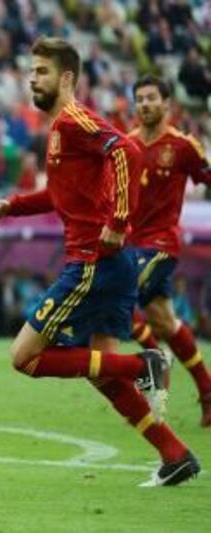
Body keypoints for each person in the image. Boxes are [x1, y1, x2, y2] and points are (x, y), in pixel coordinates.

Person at [0, 37, 199, 487]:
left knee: (25, 356)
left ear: (67, 78)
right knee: (102, 373)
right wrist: (11, 205)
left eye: (41, 71)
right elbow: (60, 195)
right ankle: (175, 455)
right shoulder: (62, 127)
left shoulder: (75, 119)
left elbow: (126, 151)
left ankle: (145, 366)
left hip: (93, 261)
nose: (32, 79)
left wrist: (118, 219)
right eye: (31, 71)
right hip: (111, 265)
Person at [125, 75, 211, 426]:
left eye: (151, 98)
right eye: (139, 99)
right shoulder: (126, 145)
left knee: (116, 294)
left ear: (166, 104)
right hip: (132, 243)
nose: (144, 104)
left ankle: (155, 364)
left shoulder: (183, 146)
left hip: (161, 244)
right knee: (163, 320)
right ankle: (207, 390)